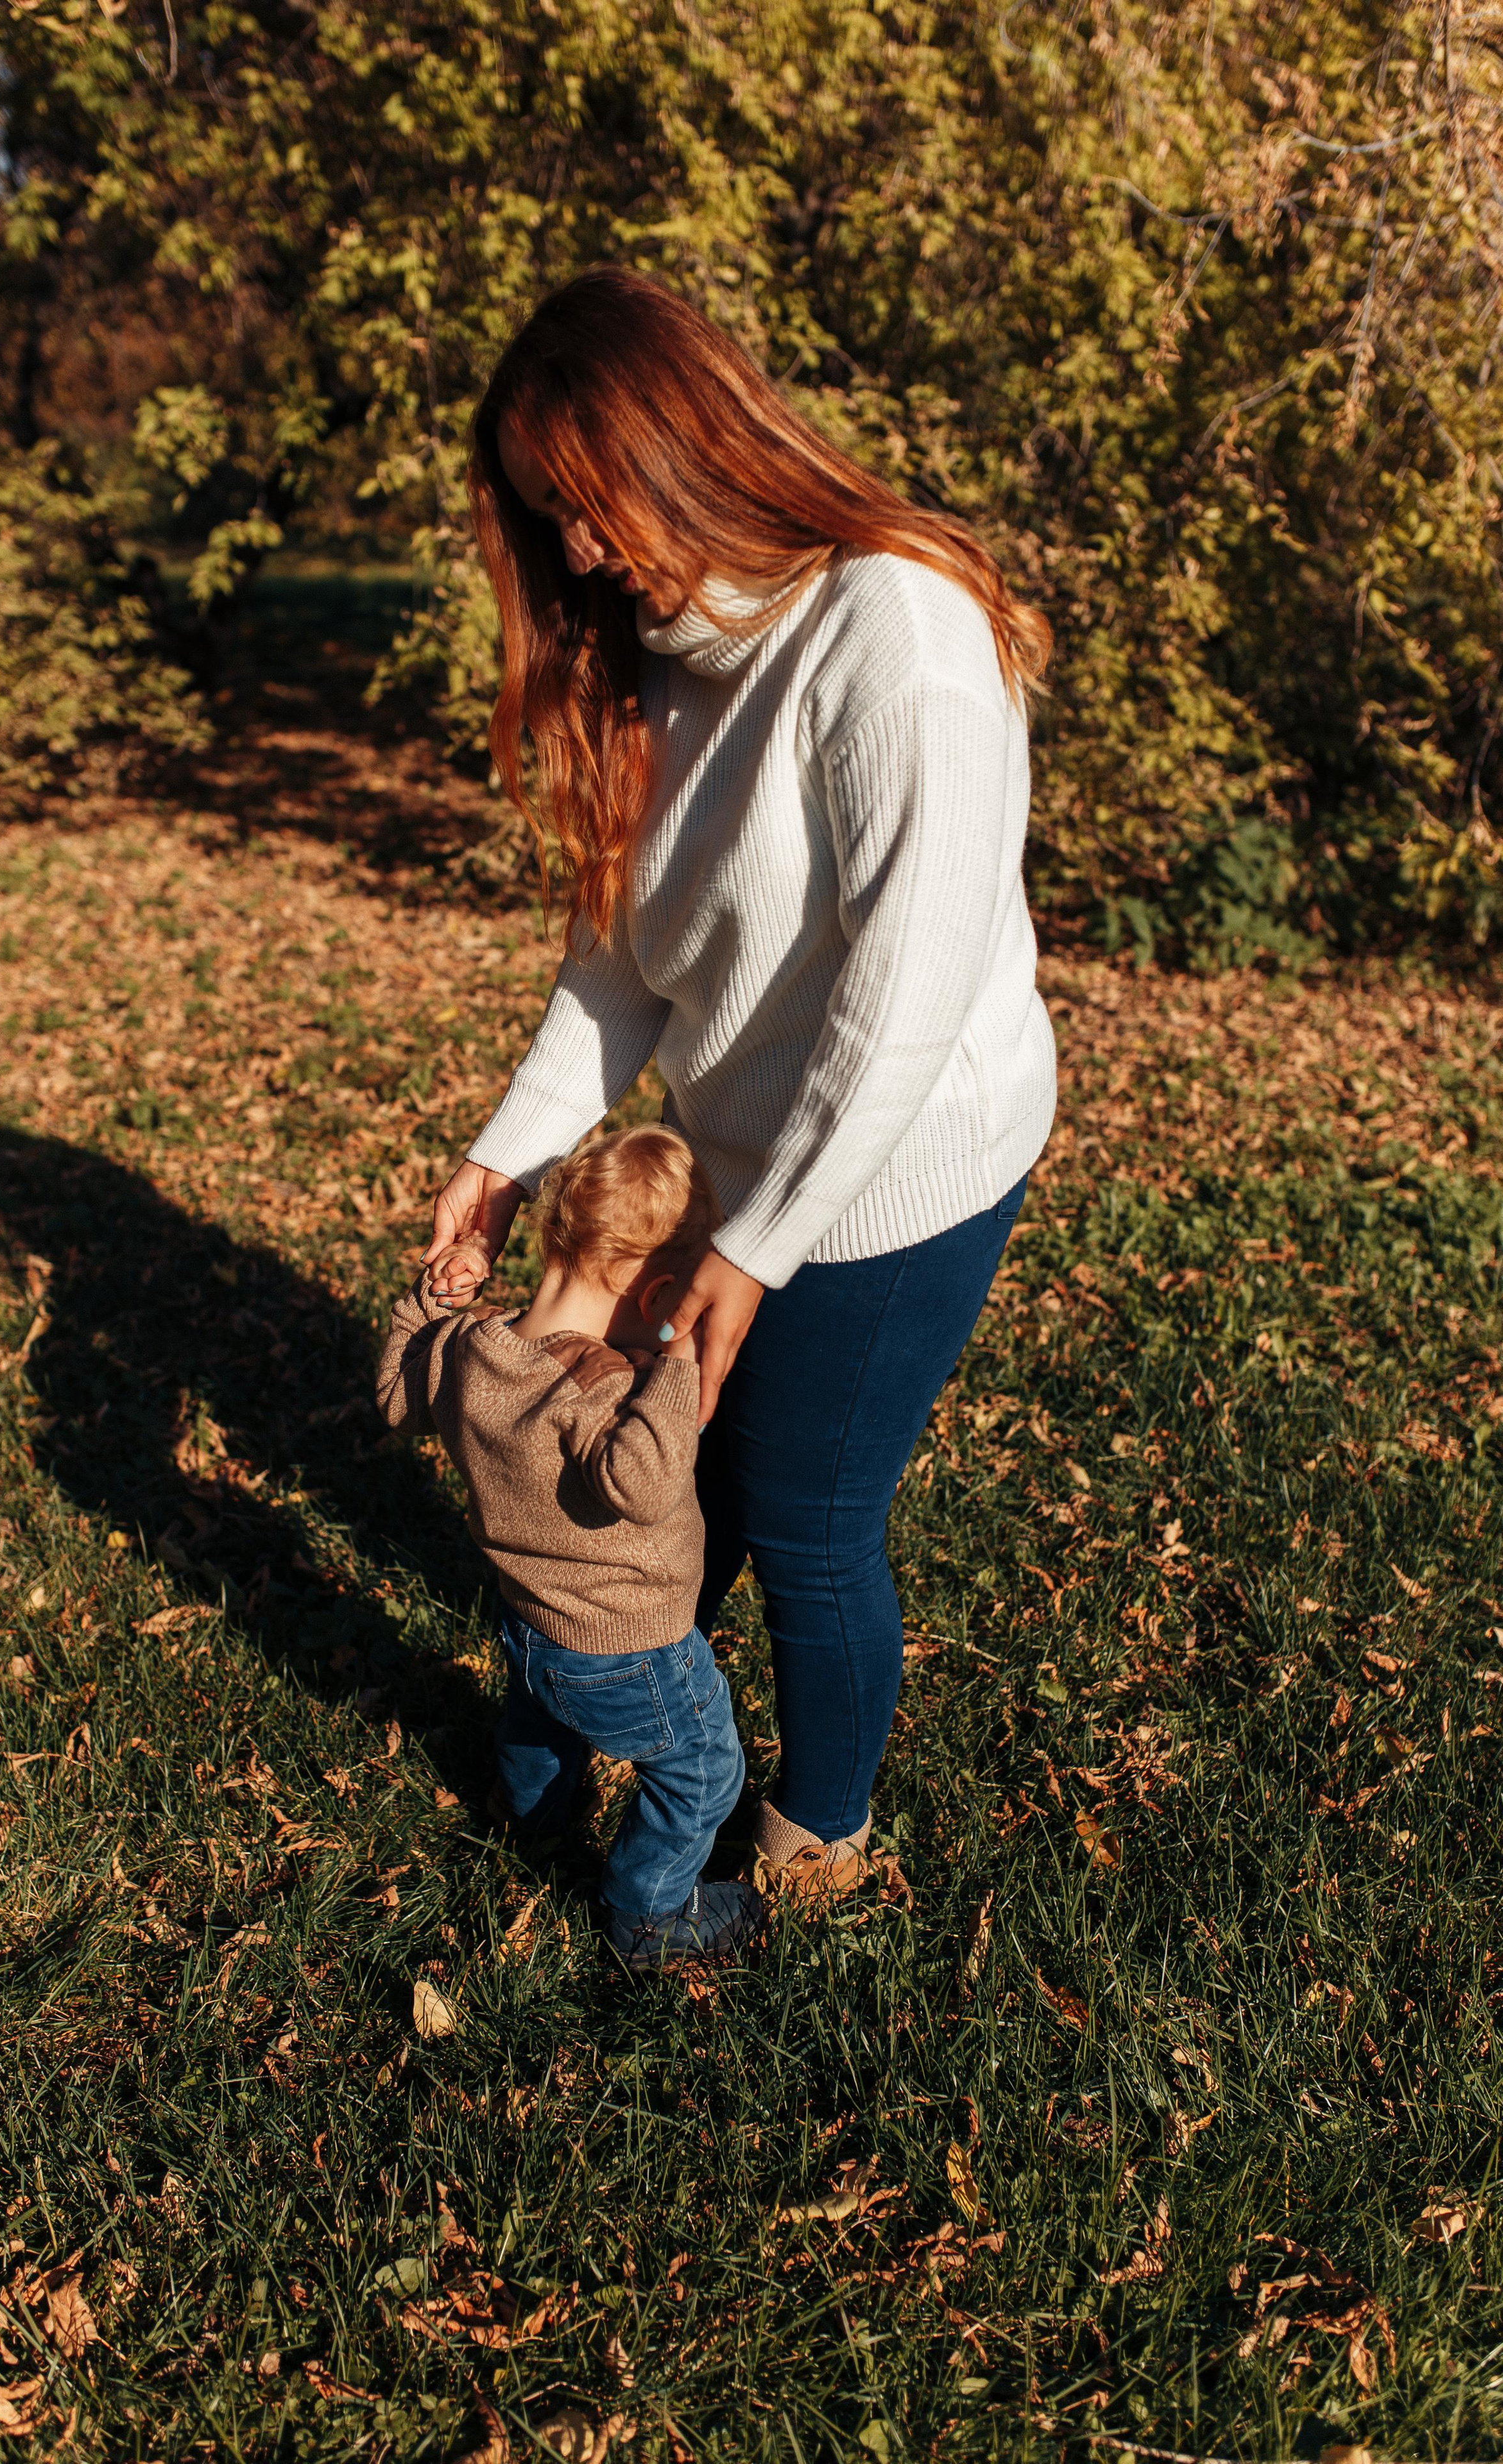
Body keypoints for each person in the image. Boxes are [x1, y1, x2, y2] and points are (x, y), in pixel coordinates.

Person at [420, 266, 1057, 1900]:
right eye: (541, 517)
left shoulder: (891, 629)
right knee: (683, 1480)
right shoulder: (651, 658)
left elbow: (898, 999)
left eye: (587, 504)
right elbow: (621, 969)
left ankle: (813, 1834)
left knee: (806, 1511)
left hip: (906, 1159)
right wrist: (499, 1161)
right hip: (744, 1152)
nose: (571, 552)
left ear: (688, 447)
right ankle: (622, 1723)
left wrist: (755, 1248)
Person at [377, 1125, 764, 1972]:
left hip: (528, 1621)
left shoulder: (469, 1349)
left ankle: (534, 1814)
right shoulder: (603, 1390)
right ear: (661, 1293)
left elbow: (397, 1396)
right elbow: (642, 1483)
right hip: (632, 1648)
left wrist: (431, 1303)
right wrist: (681, 1361)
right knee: (704, 1769)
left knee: (542, 1716)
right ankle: (649, 1920)